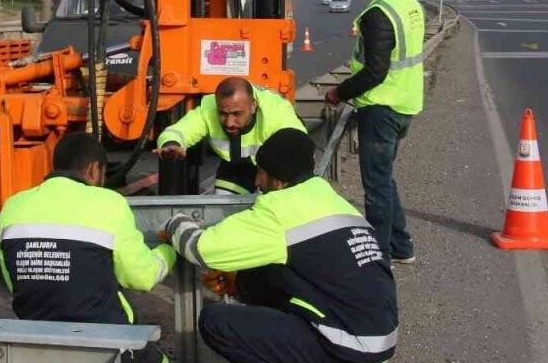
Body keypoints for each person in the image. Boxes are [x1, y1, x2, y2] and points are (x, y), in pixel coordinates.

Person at [163, 129, 398, 363]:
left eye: (261, 173)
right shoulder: (334, 202)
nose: (256, 181)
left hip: (347, 346)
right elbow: (294, 273)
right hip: (376, 338)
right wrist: (241, 285)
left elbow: (202, 249)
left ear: (278, 181)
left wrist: (175, 222)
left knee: (216, 322)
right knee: (272, 269)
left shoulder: (280, 210)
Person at [0, 132, 176, 363]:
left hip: (38, 341)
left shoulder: (13, 206)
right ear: (94, 170)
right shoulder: (109, 203)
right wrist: (169, 251)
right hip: (105, 341)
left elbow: (15, 281)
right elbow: (141, 277)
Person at [325, 0, 424, 264]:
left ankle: (377, 260)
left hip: (381, 108)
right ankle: (401, 247)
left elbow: (375, 71)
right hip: (405, 104)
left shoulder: (377, 13)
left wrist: (339, 92)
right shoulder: (409, 4)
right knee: (385, 178)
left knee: (376, 186)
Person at [156, 77, 306, 195]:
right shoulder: (209, 109)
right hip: (236, 168)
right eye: (223, 114)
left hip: (273, 171)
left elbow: (298, 148)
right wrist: (171, 143)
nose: (229, 123)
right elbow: (179, 131)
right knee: (222, 209)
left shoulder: (276, 113)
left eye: (237, 114)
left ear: (253, 106)